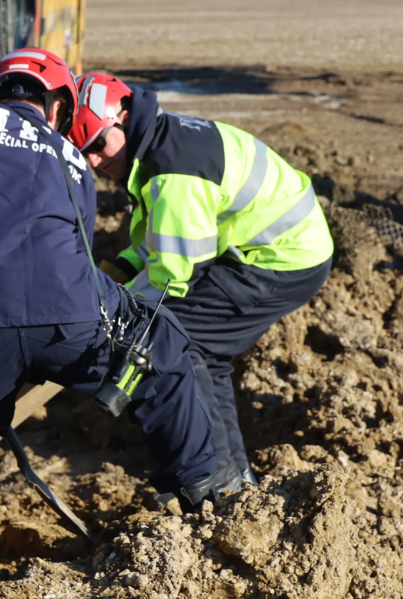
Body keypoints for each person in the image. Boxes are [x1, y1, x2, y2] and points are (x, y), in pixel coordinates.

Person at [0, 49, 221, 595]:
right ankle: (208, 496)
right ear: (57, 102)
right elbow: (74, 247)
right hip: (72, 323)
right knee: (165, 354)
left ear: (0, 92)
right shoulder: (73, 158)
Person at [66, 73, 334, 489]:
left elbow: (172, 278)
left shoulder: (171, 175)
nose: (96, 162)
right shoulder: (161, 144)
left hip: (281, 257)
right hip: (277, 248)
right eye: (85, 153)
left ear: (123, 117)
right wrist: (114, 276)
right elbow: (160, 242)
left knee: (175, 338)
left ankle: (213, 477)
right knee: (204, 352)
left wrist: (108, 316)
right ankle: (234, 479)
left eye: (99, 144)